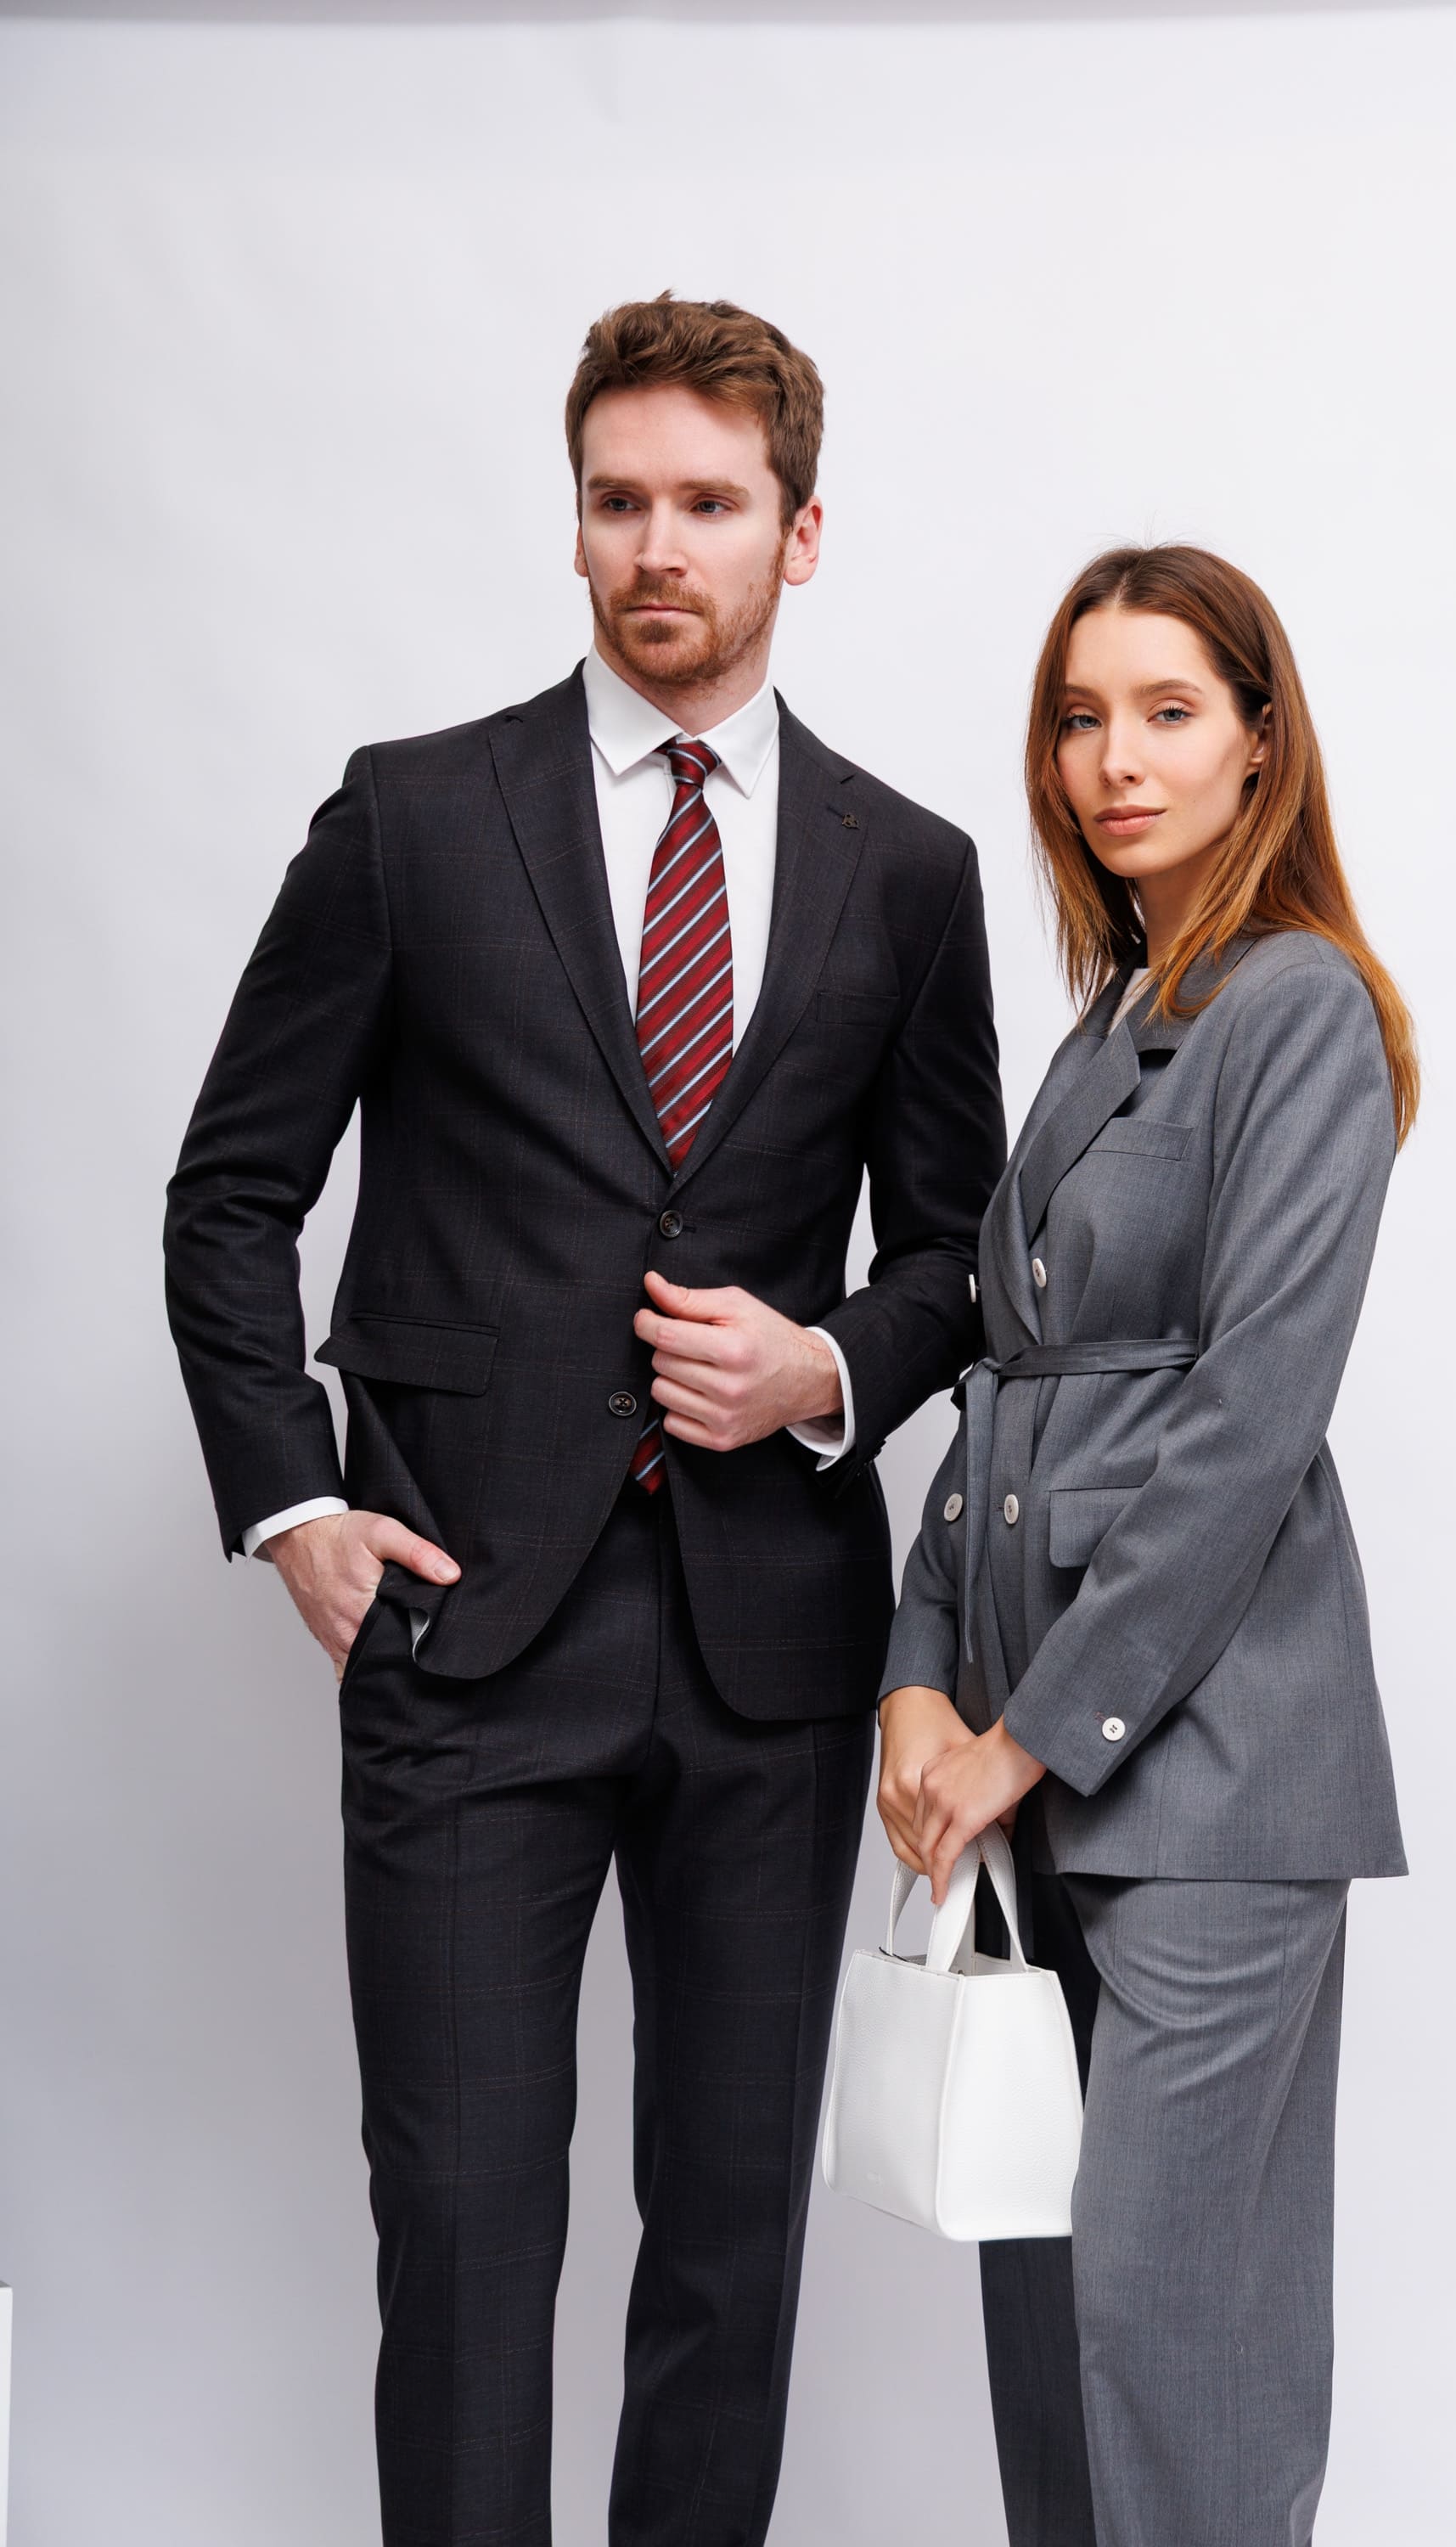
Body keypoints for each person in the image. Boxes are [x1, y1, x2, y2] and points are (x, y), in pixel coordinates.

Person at [164, 291, 1004, 2547]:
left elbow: (962, 1251)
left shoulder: (911, 871)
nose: (658, 546)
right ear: (573, 526)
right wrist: (293, 1510)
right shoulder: (415, 820)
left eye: (709, 503)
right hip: (462, 1635)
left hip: (773, 1655)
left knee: (729, 2245)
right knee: (463, 2237)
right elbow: (233, 1193)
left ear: (798, 533)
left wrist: (828, 1369)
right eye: (618, 500)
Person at [876, 545, 1416, 2547]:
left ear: (1259, 742)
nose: (1115, 759)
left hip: (1211, 1778)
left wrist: (1024, 1736)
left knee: (1170, 2337)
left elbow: (1247, 1424)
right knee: (1047, 2330)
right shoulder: (1107, 1024)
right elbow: (1008, 1385)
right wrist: (915, 1675)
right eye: (1080, 717)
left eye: (1168, 711)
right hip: (1032, 1768)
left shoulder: (1303, 1012)